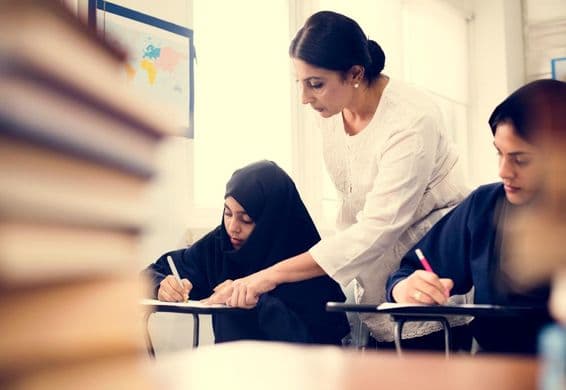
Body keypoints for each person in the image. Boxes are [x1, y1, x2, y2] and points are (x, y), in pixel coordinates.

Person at [207, 11, 472, 350]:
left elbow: (378, 227)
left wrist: (266, 278)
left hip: (425, 276)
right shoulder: (332, 111)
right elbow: (352, 211)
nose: (304, 97)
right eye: (299, 82)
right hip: (372, 282)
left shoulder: (411, 120)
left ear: (355, 74)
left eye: (315, 84)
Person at [386, 79, 566, 355]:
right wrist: (407, 288)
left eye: (521, 159)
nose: (503, 171)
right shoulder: (485, 205)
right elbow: (410, 270)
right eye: (499, 153)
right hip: (496, 371)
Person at [143, 160, 350, 345]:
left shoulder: (306, 260)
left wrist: (260, 302)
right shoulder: (220, 244)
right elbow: (152, 272)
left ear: (271, 220)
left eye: (246, 219)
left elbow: (319, 349)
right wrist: (163, 285)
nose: (233, 227)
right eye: (228, 213)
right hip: (231, 375)